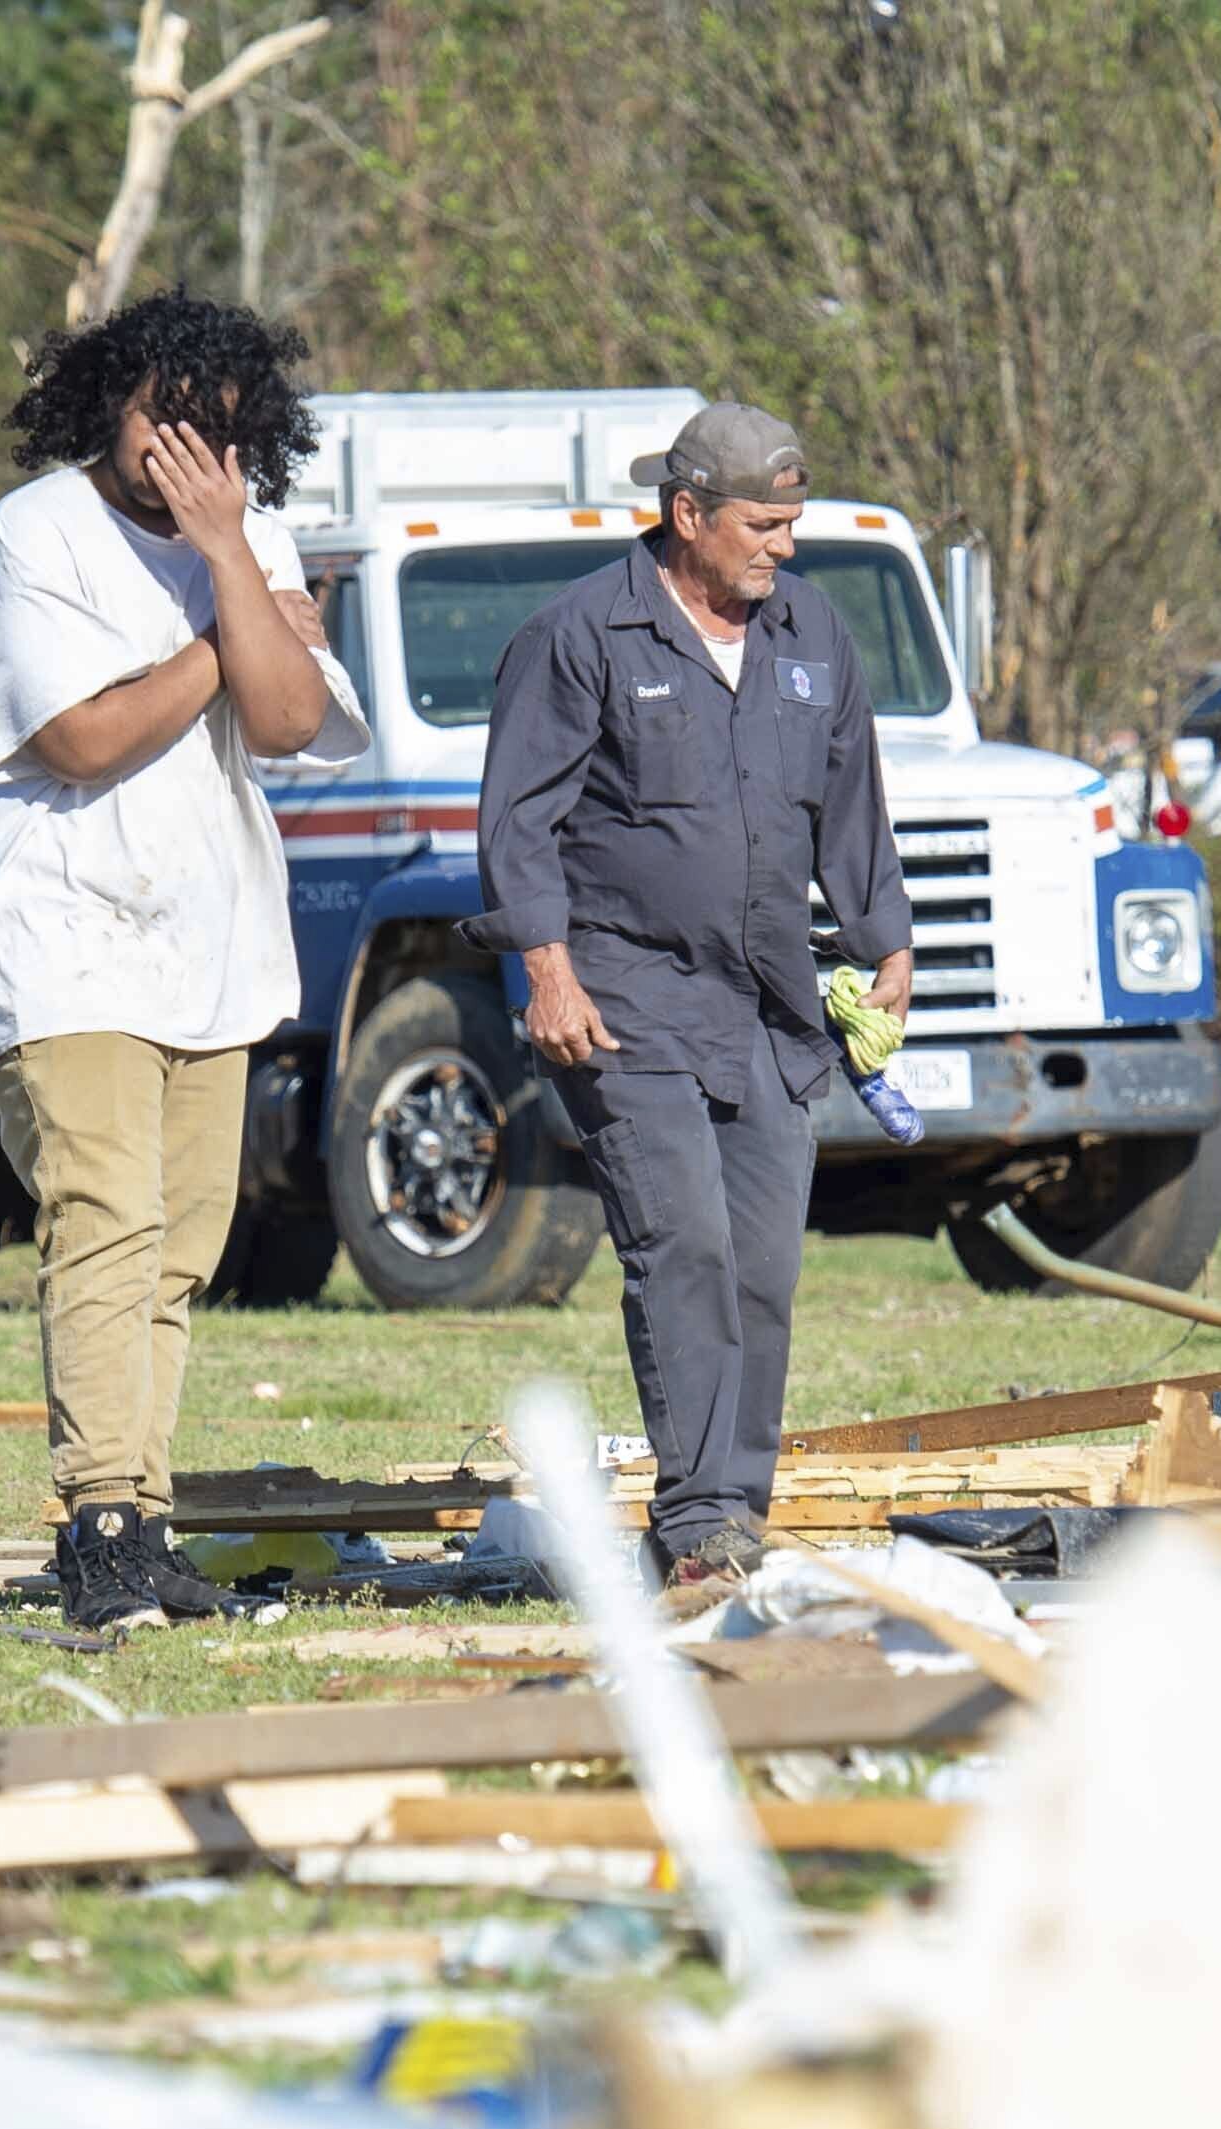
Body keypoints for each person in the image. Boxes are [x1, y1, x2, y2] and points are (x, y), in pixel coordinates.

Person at [0, 291, 370, 1634]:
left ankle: (147, 1521)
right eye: (160, 414)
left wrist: (234, 561)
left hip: (205, 942)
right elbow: (82, 737)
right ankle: (99, 1524)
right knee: (105, 1220)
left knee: (182, 1242)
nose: (183, 448)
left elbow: (290, 719)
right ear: (106, 402)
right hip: (57, 933)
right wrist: (231, 641)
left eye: (215, 430)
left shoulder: (246, 532)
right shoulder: (36, 534)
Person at [474, 401, 916, 1598]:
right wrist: (546, 969)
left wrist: (886, 940)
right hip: (623, 992)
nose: (781, 547)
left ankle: (736, 1504)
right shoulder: (580, 635)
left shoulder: (811, 630)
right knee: (685, 1246)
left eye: (792, 524)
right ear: (686, 515)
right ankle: (703, 1521)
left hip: (770, 1002)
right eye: (761, 525)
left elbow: (850, 797)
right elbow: (518, 820)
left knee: (762, 1265)